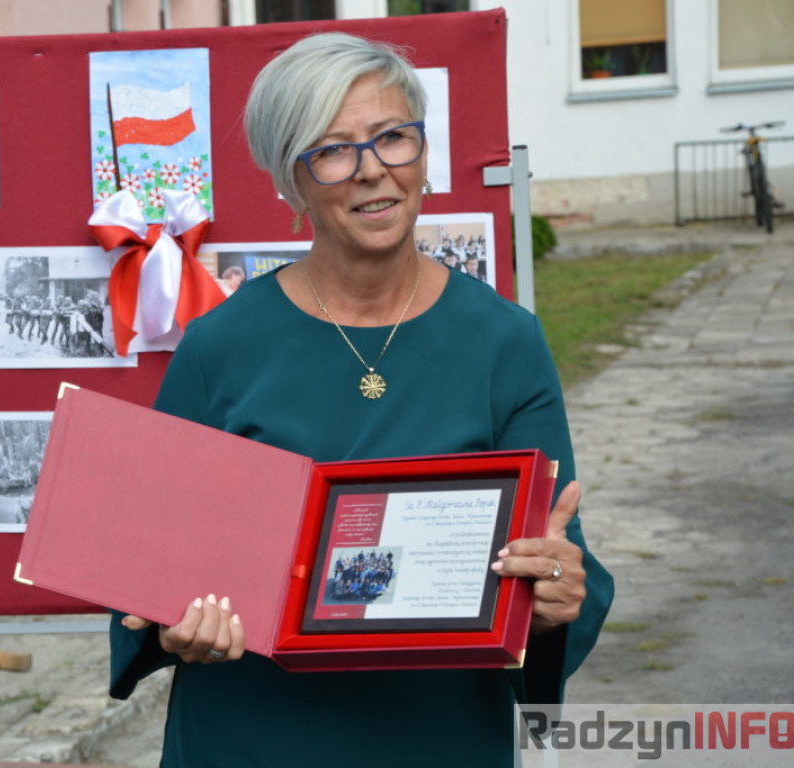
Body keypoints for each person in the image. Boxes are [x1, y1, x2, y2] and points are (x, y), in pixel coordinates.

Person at [110, 32, 613, 767]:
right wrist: (168, 624)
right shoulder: (219, 346)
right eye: (334, 150)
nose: (373, 169)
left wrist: (554, 598)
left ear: (424, 152)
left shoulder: (505, 341)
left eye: (393, 137)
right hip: (252, 736)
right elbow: (143, 568)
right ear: (291, 180)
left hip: (439, 737)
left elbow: (560, 561)